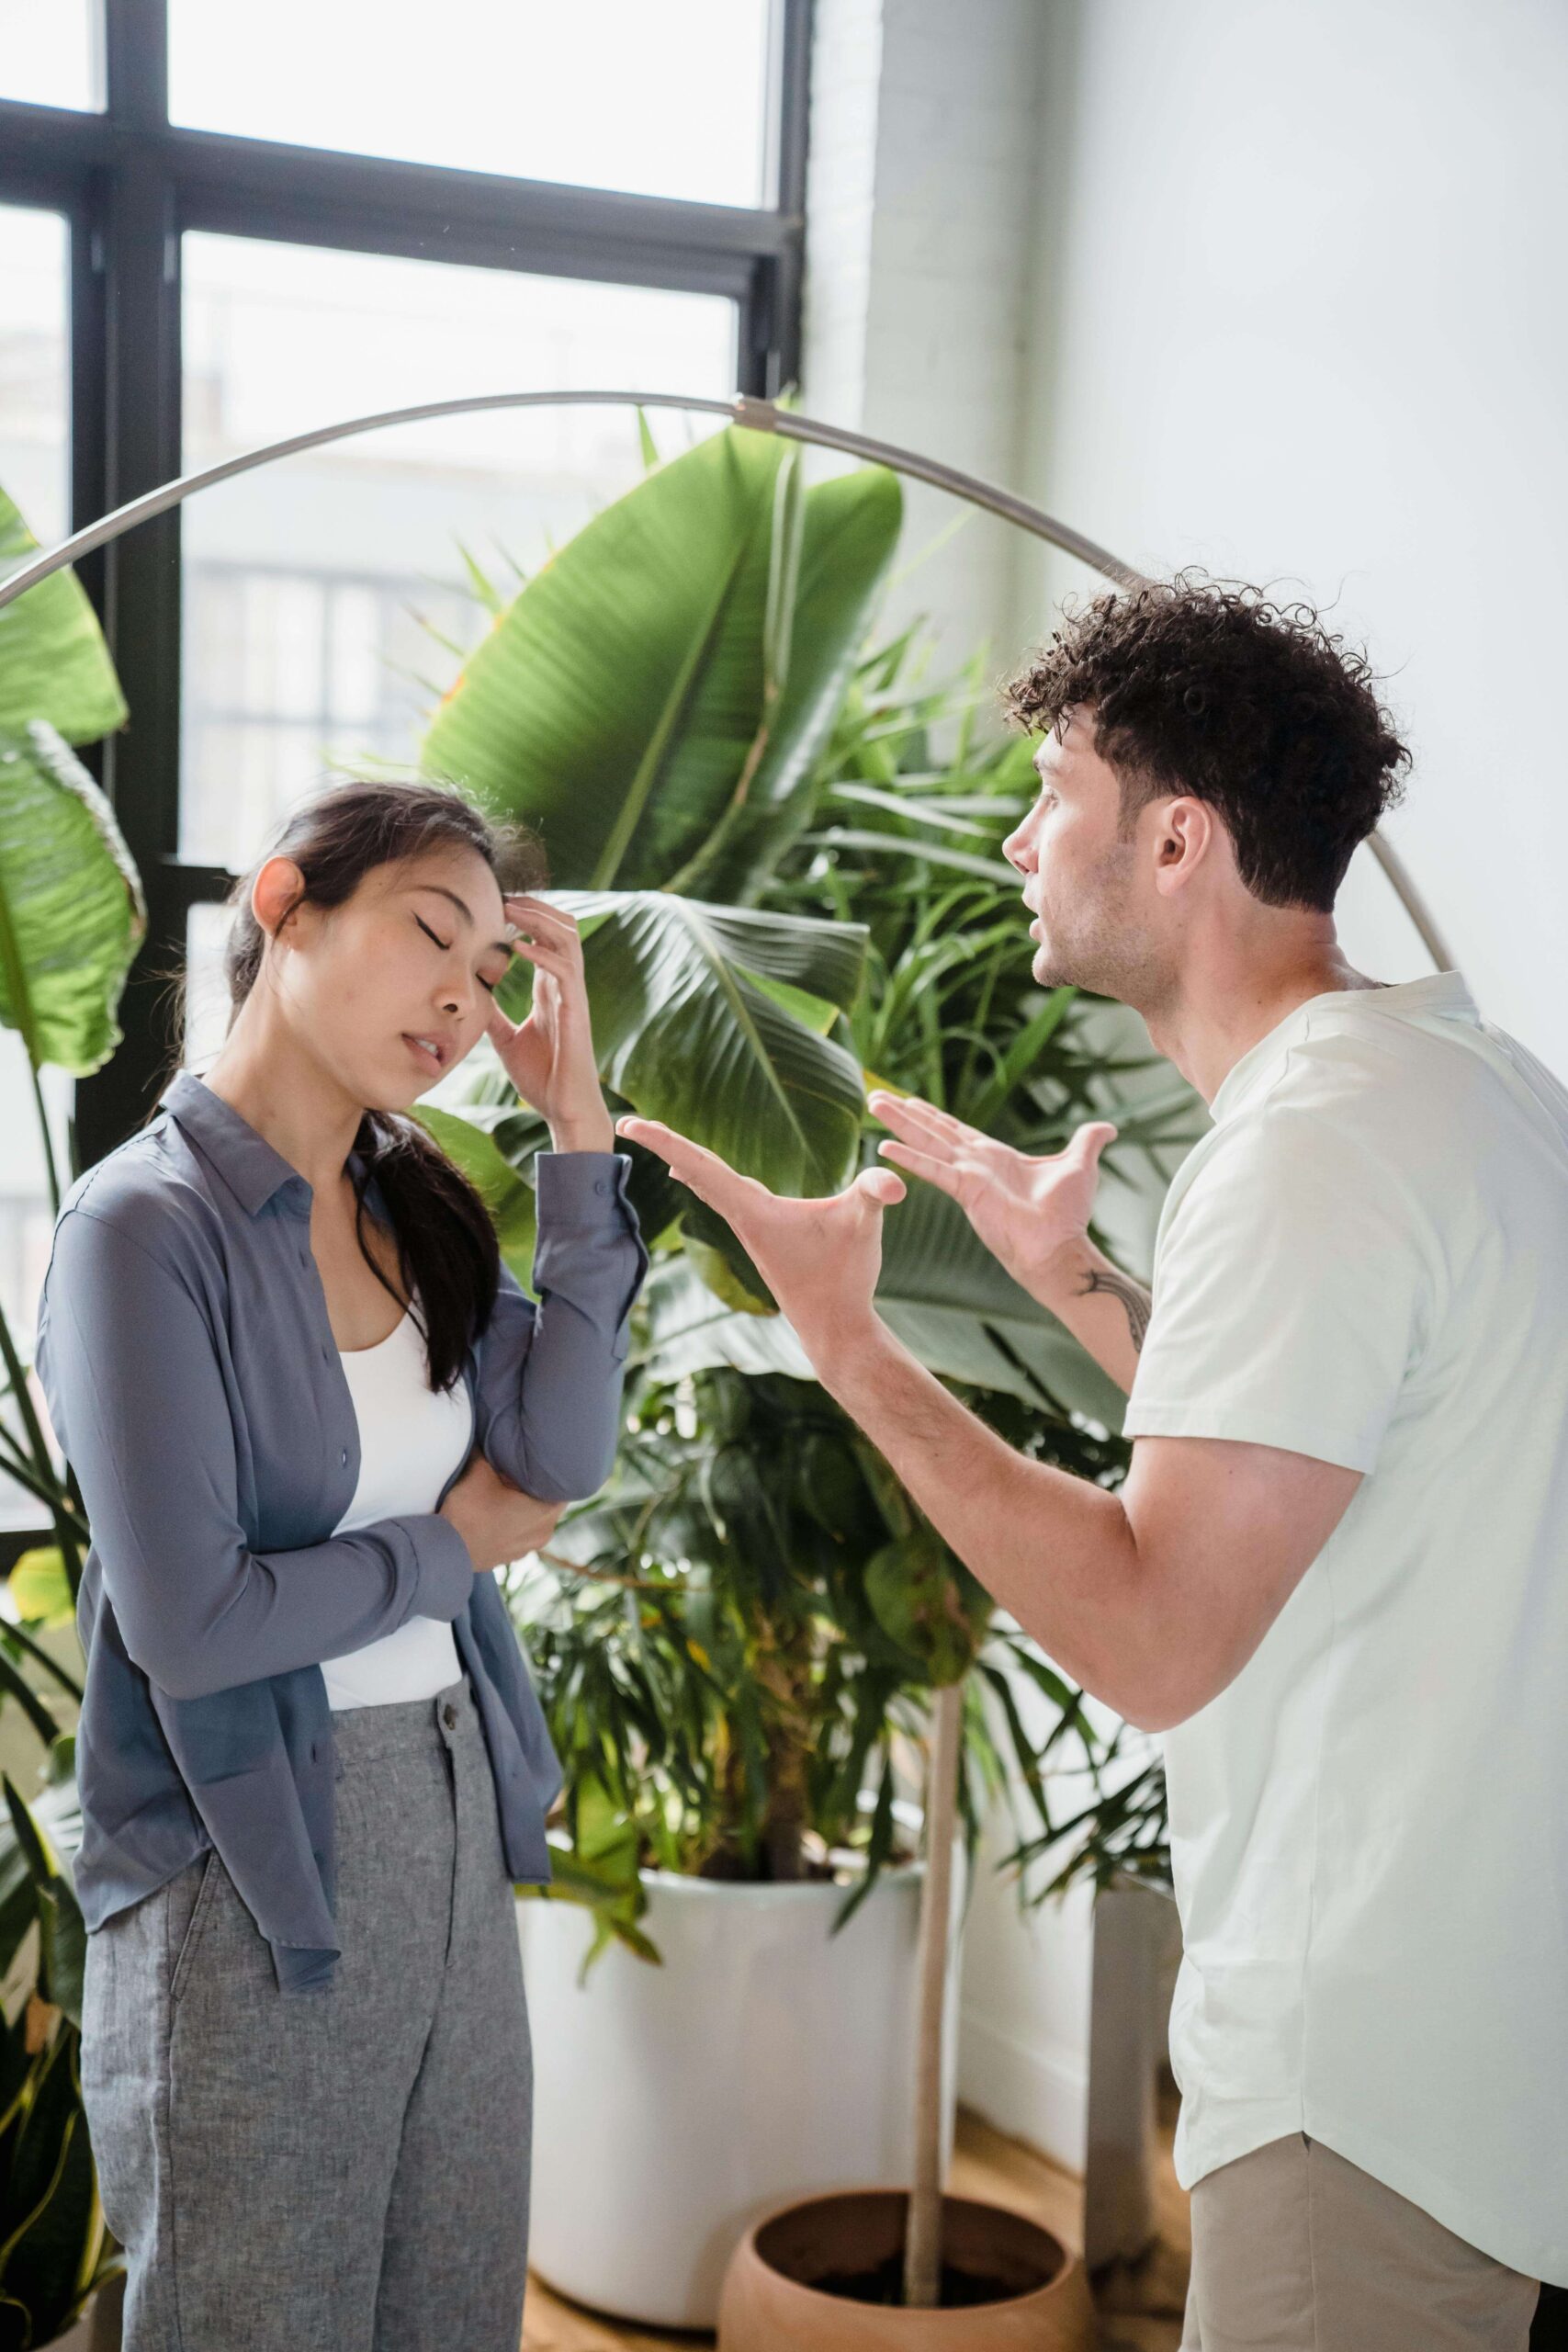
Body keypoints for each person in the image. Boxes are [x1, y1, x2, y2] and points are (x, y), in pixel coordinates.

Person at [616, 577, 1566, 2350]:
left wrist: (849, 1344)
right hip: (1493, 2043)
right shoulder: (1471, 1086)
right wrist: (1083, 1286)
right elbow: (1340, 1465)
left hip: (1361, 2086)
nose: (1018, 837)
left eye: (1057, 789)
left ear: (1181, 840)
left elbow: (1152, 1633)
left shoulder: (1311, 1154)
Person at [34, 777, 649, 2352]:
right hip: (247, 1866)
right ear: (284, 905)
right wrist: (448, 1552)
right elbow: (198, 1623)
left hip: (450, 1819)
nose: (460, 1000)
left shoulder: (418, 1205)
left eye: (492, 975)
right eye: (431, 938)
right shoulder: (137, 1229)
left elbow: (564, 1456)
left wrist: (579, 1142)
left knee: (446, 2311)